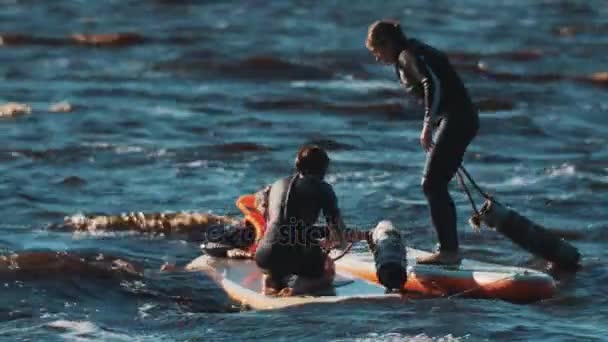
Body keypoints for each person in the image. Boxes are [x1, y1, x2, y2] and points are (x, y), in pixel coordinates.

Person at [365, 20, 479, 265]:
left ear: (389, 43)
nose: (377, 58)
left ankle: (448, 252)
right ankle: (450, 249)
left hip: (456, 119)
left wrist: (428, 123)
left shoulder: (407, 55)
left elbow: (432, 83)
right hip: (460, 119)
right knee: (436, 183)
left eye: (377, 51)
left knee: (432, 183)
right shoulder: (417, 50)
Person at [254, 145, 348, 296]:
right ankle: (296, 290)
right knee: (328, 272)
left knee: (279, 262)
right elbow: (337, 229)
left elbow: (269, 217)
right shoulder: (323, 188)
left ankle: (271, 280)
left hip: (264, 255)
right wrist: (340, 245)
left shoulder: (275, 186)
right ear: (323, 168)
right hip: (294, 254)